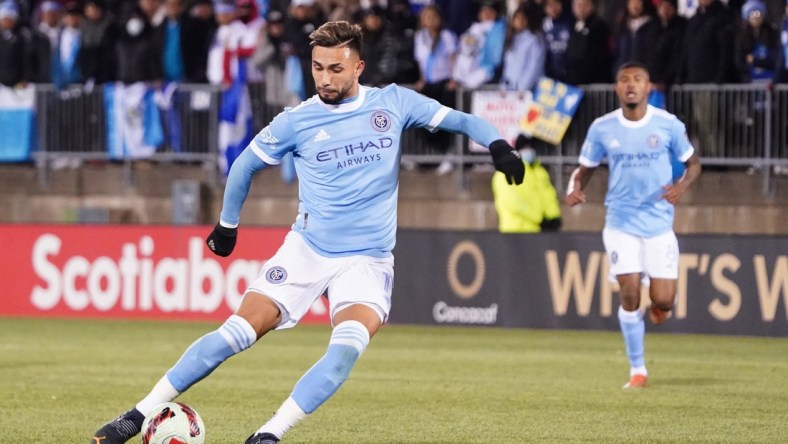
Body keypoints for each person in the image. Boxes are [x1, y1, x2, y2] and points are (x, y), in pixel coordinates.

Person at [89, 20, 524, 444]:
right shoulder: (296, 120)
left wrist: (500, 146)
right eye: (318, 67)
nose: (325, 78)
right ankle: (139, 414)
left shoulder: (394, 102)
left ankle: (268, 435)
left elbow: (466, 121)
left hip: (367, 260)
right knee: (235, 333)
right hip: (307, 249)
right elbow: (245, 165)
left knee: (342, 354)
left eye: (336, 68)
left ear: (358, 67)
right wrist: (227, 225)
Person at [564, 61, 701, 389]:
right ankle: (637, 370)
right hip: (620, 222)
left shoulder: (668, 125)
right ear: (617, 88)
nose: (631, 85)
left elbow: (693, 164)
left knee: (663, 299)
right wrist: (576, 186)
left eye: (637, 79)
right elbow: (586, 166)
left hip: (658, 224)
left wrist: (681, 186)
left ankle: (663, 306)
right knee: (628, 293)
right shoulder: (602, 127)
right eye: (625, 80)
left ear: (648, 87)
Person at [492, 134, 562, 233]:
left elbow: (549, 197)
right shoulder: (506, 173)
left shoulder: (540, 172)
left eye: (531, 147)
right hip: (515, 232)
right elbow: (513, 202)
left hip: (540, 232)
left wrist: (554, 217)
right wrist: (540, 220)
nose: (529, 151)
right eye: (525, 148)